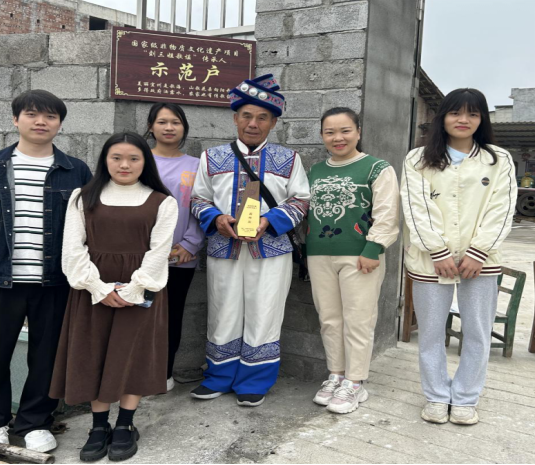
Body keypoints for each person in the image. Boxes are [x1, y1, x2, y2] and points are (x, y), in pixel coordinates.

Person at [0, 90, 92, 452]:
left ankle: (35, 422)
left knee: (47, 357)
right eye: (32, 114)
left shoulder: (76, 170)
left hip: (55, 282)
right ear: (16, 120)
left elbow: (88, 228)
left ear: (60, 124)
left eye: (50, 116)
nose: (41, 122)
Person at [49, 133, 178, 462]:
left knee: (132, 355)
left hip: (141, 292)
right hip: (92, 292)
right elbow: (73, 248)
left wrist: (134, 289)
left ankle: (125, 424)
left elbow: (159, 252)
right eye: (116, 157)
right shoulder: (83, 197)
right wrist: (99, 288)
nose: (124, 165)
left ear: (145, 162)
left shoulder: (162, 201)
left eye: (134, 158)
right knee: (94, 354)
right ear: (104, 160)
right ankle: (98, 426)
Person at [190, 74, 311, 407]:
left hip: (270, 249)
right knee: (222, 311)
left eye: (262, 117)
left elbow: (301, 200)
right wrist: (217, 219)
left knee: (265, 312)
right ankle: (218, 376)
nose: (253, 124)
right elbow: (198, 199)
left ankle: (255, 380)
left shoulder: (289, 159)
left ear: (273, 122)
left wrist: (269, 221)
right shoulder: (211, 157)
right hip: (224, 248)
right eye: (246, 116)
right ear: (235, 118)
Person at [401, 88, 517, 426]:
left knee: (477, 332)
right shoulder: (417, 159)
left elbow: (502, 208)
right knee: (431, 333)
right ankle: (437, 396)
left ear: (482, 119)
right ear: (443, 117)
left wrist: (479, 252)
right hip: (429, 261)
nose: (463, 120)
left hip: (481, 262)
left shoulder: (498, 159)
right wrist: (437, 250)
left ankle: (466, 398)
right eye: (455, 112)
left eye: (472, 113)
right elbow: (415, 208)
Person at [307, 108, 400, 414]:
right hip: (319, 253)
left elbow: (387, 212)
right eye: (330, 132)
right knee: (329, 318)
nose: (338, 138)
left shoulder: (377, 168)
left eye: (345, 130)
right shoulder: (315, 171)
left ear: (358, 132)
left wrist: (374, 248)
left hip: (360, 255)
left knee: (358, 319)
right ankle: (336, 374)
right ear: (322, 136)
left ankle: (356, 382)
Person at [146, 103, 205, 392]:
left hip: (181, 255)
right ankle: (134, 375)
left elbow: (203, 206)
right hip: (141, 256)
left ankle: (163, 374)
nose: (169, 127)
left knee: (171, 315)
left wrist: (191, 243)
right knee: (137, 316)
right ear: (151, 127)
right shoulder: (139, 160)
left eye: (175, 122)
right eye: (162, 122)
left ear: (184, 128)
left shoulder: (197, 165)